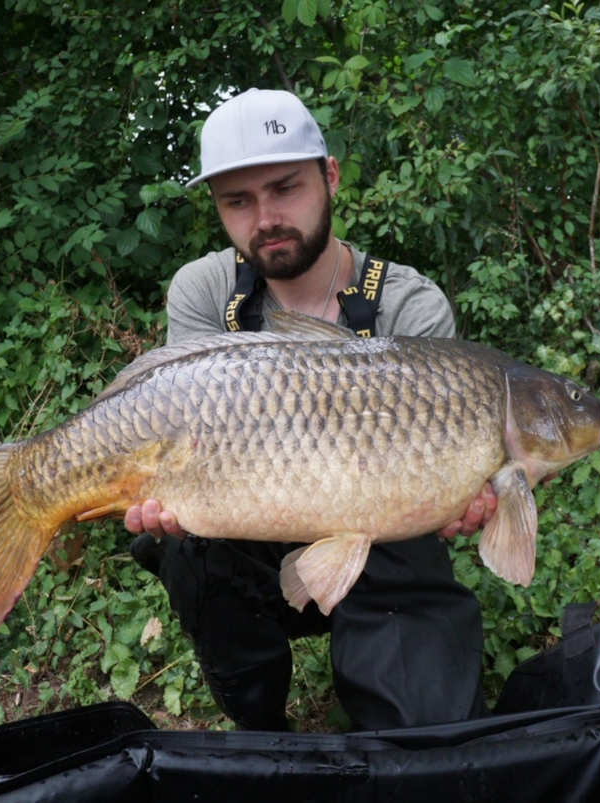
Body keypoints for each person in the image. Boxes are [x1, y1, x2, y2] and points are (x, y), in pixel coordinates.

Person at [125, 88, 497, 732]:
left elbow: (456, 460)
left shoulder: (410, 304)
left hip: (384, 542)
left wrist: (464, 491)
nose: (265, 217)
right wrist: (165, 488)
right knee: (188, 550)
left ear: (329, 177)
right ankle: (262, 724)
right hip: (250, 532)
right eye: (238, 201)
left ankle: (395, 698)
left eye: (284, 188)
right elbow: (178, 420)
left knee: (430, 735)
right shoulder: (204, 290)